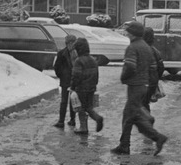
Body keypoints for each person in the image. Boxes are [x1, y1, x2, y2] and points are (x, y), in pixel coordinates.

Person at [111, 20, 168, 155]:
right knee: (131, 115)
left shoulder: (133, 47)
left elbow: (130, 66)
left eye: (128, 32)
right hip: (144, 85)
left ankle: (155, 137)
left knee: (130, 115)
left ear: (133, 33)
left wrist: (124, 77)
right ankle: (125, 143)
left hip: (135, 86)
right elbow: (153, 68)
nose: (126, 34)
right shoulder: (147, 48)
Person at [68, 37, 105, 135]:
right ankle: (89, 124)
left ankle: (85, 126)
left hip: (81, 88)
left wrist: (72, 87)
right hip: (91, 87)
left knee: (81, 108)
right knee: (88, 107)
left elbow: (76, 75)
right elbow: (96, 74)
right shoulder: (92, 59)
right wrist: (94, 85)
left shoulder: (79, 61)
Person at [52, 33, 78, 128]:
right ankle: (61, 120)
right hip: (66, 80)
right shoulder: (62, 53)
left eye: (73, 42)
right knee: (64, 101)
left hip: (73, 80)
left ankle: (72, 119)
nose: (71, 44)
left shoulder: (77, 53)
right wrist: (62, 75)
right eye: (69, 43)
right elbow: (57, 67)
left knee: (73, 101)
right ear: (67, 43)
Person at [143, 25, 165, 112]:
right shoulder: (154, 50)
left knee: (142, 105)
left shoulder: (145, 50)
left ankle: (147, 122)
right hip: (151, 83)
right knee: (144, 104)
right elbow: (161, 67)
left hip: (145, 84)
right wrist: (156, 79)